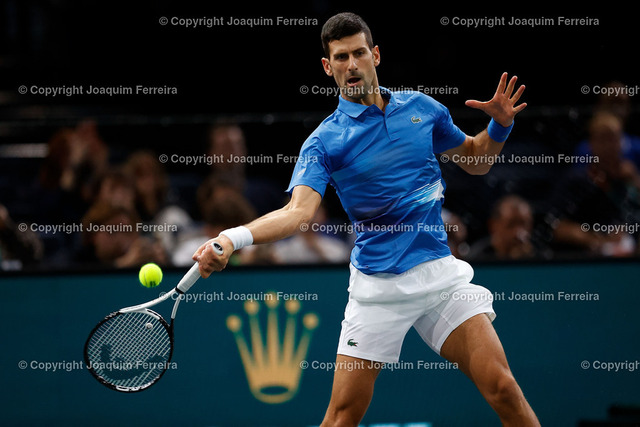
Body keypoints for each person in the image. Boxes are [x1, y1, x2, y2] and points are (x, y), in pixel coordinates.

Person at [193, 12, 538, 426]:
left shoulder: (422, 109)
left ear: (375, 55)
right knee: (342, 418)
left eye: (359, 53)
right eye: (341, 57)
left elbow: (476, 159)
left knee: (504, 388)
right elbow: (297, 213)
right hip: (378, 289)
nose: (351, 64)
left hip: (439, 276)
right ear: (328, 67)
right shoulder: (324, 142)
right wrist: (232, 238)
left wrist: (499, 127)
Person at [468, 195, 550, 261]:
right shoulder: (476, 258)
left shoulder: (543, 258)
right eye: (511, 224)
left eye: (524, 224)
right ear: (493, 225)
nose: (518, 233)